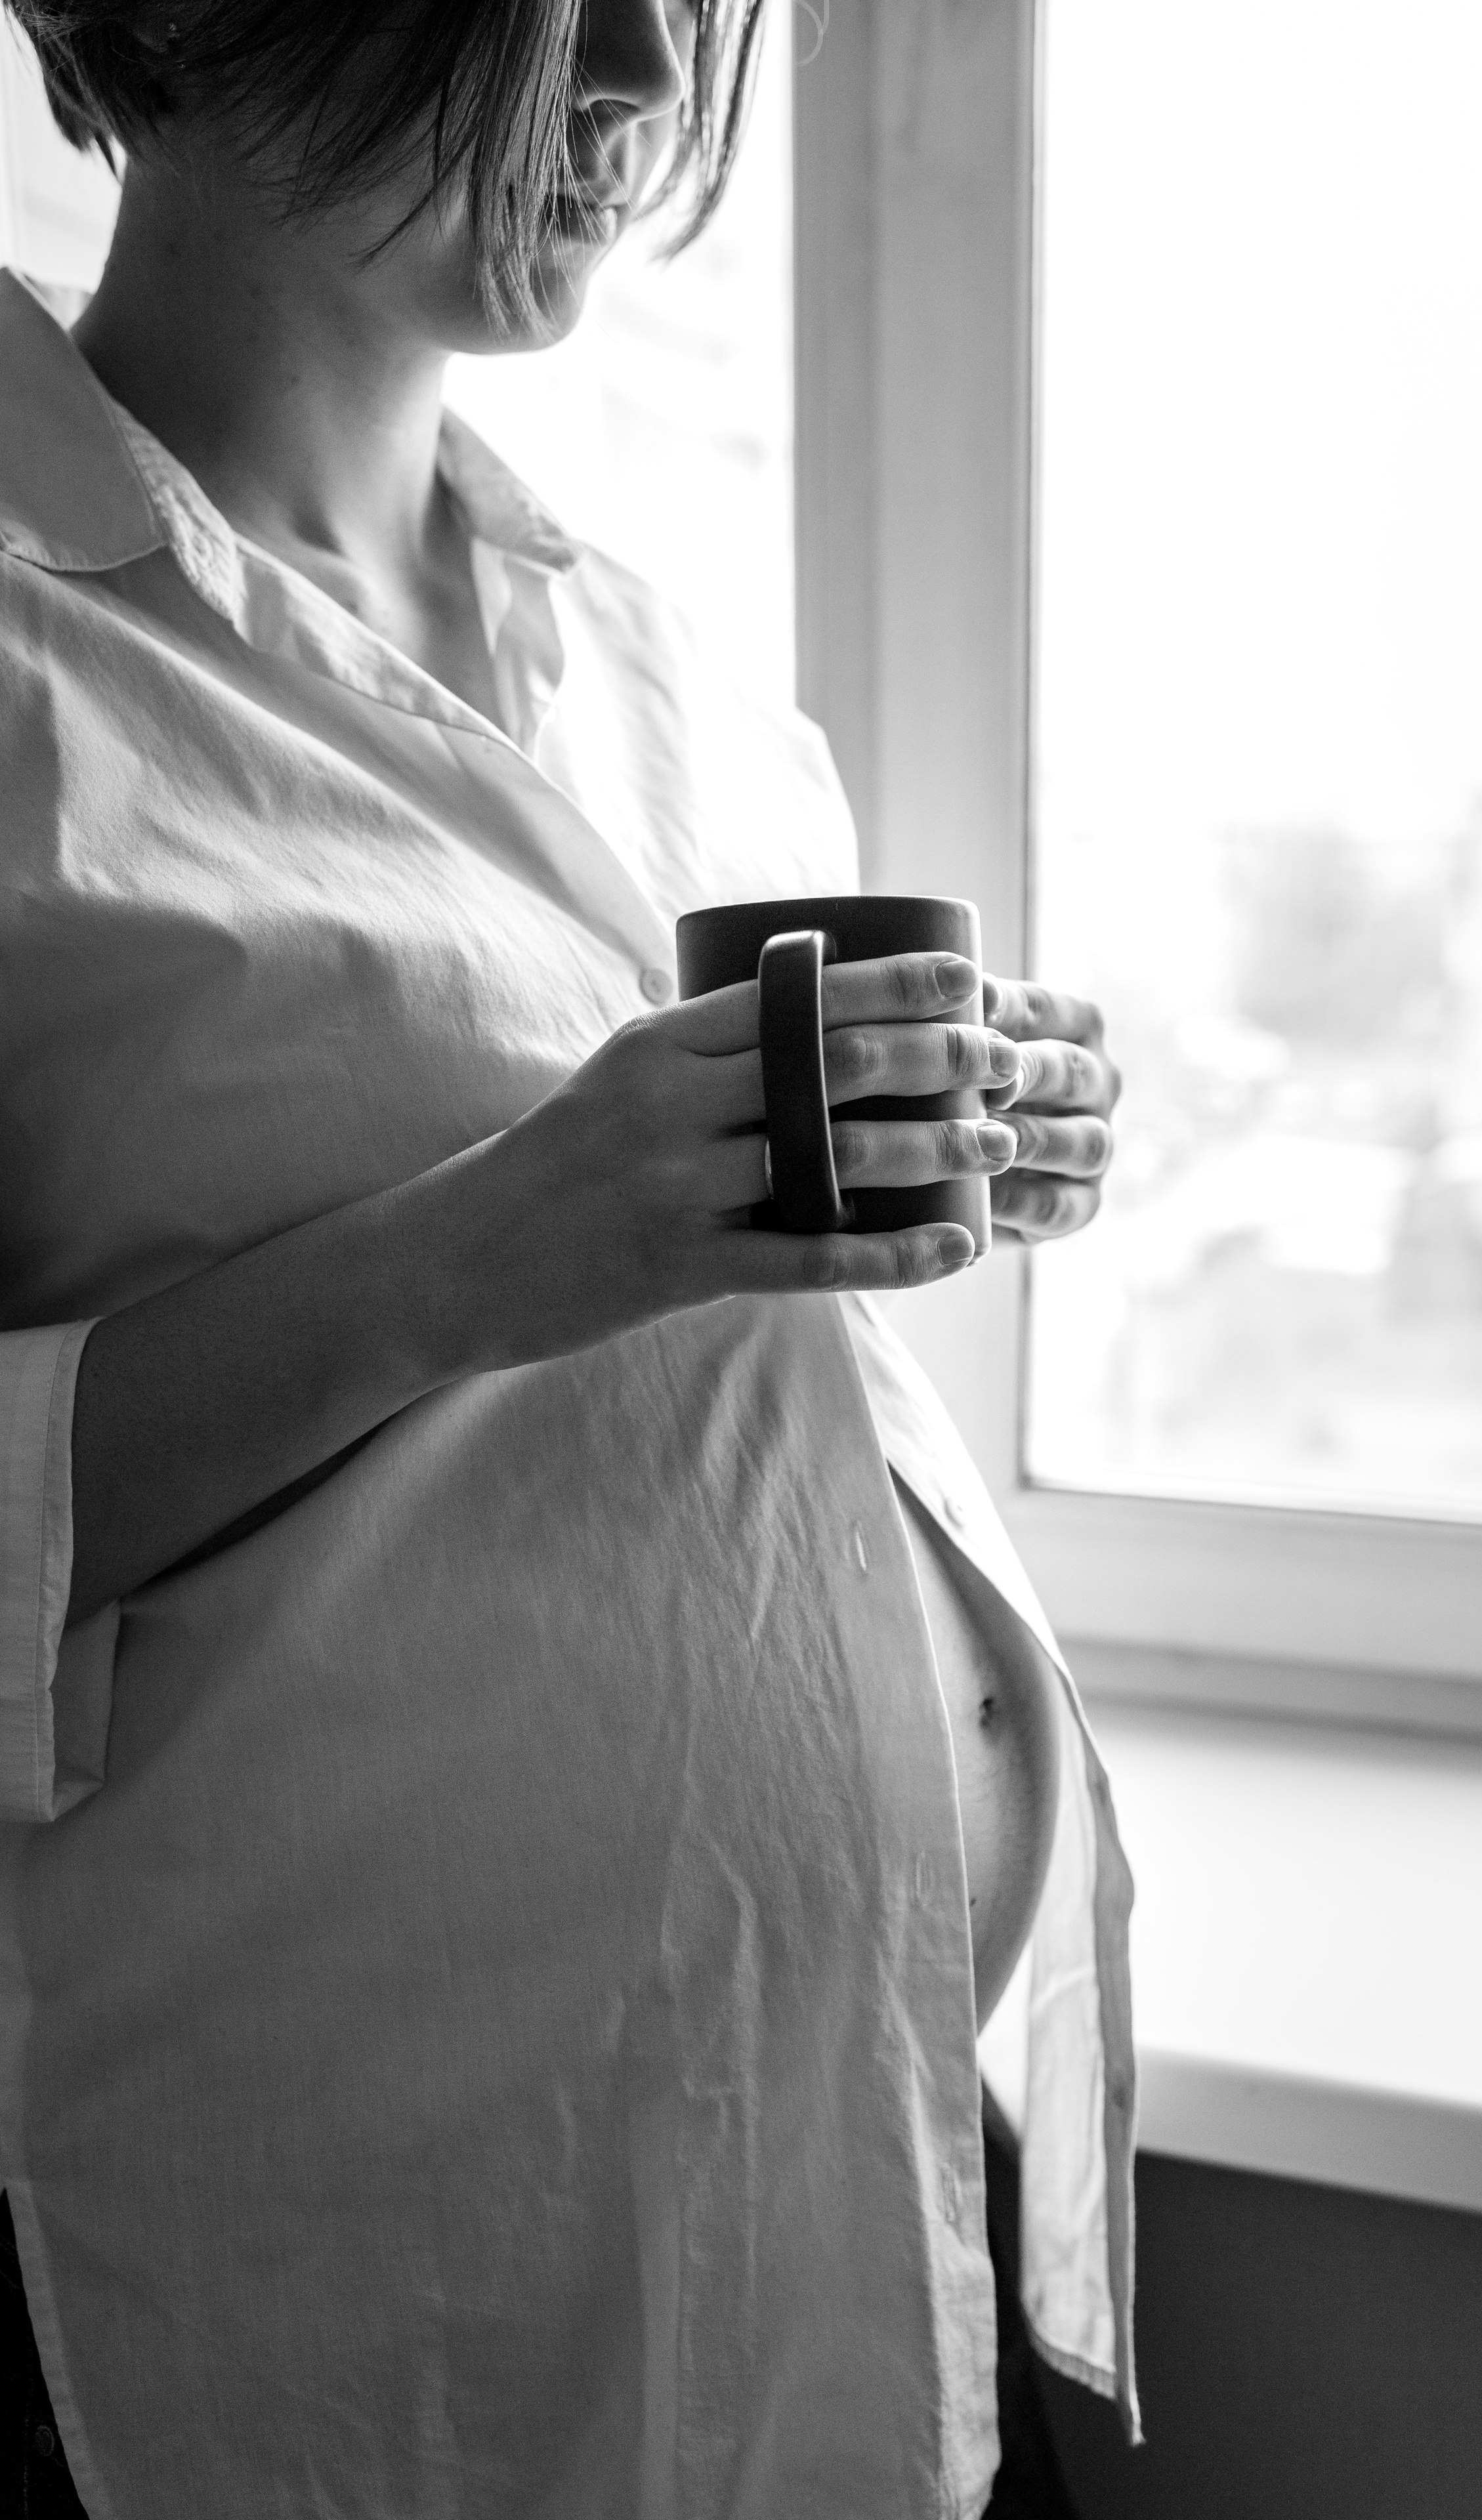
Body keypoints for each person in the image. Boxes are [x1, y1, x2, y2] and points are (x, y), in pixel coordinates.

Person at [0, 0, 1137, 2510]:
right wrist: (479, 1252)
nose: (645, 75)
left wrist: (976, 1134)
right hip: (388, 2255)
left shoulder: (660, 657)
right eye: (548, 0)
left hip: (859, 2137)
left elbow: (710, 1342)